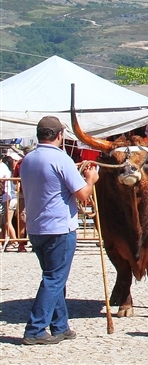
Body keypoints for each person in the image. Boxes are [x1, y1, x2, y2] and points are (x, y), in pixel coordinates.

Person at [19, 116, 99, 345]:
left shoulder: (28, 159)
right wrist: (91, 179)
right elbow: (83, 194)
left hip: (36, 226)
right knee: (54, 279)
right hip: (59, 227)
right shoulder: (60, 159)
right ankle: (35, 328)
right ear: (59, 135)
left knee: (55, 278)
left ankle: (60, 325)